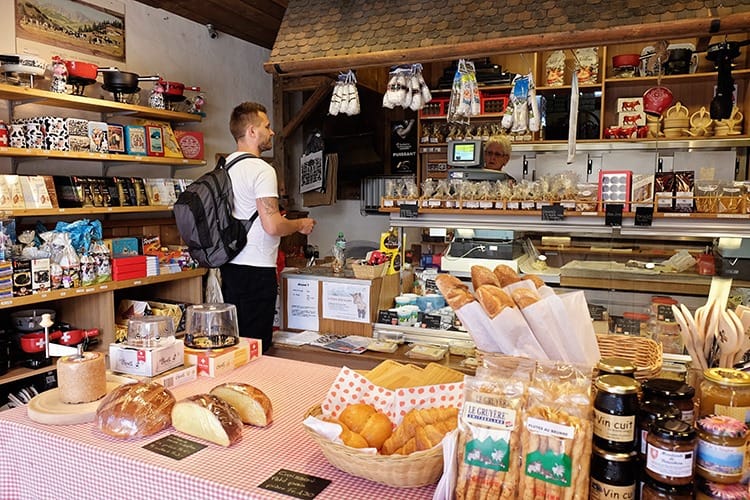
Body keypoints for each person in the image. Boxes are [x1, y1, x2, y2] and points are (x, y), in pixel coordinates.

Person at [221, 102, 316, 352]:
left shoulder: (225, 166)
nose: (272, 132)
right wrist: (300, 224)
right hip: (257, 269)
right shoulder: (262, 169)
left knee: (236, 346)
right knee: (256, 348)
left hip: (230, 266)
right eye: (267, 126)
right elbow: (272, 225)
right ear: (252, 131)